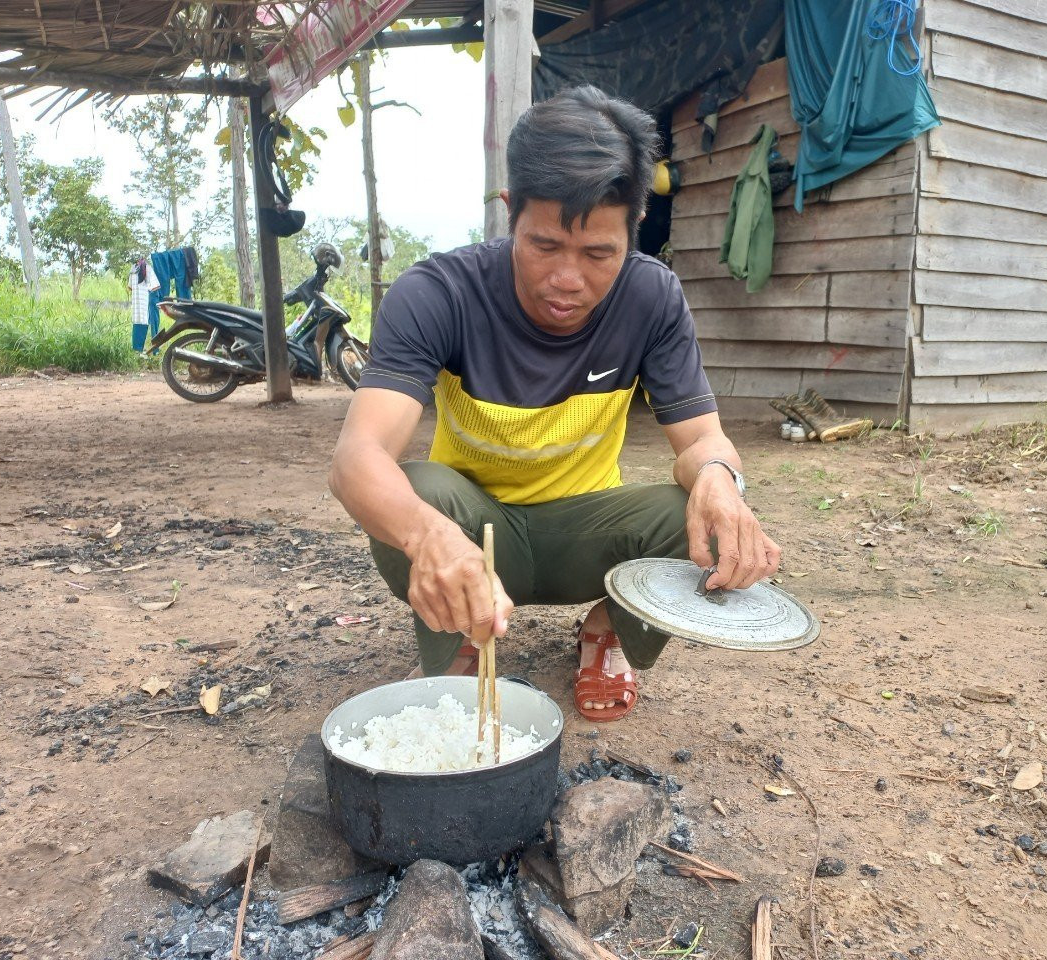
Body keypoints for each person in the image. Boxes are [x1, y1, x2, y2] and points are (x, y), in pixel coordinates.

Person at [329, 85, 781, 722]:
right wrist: (430, 536)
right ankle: (464, 631)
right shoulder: (438, 293)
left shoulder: (652, 298)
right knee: (417, 491)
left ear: (635, 227)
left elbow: (703, 441)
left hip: (584, 535)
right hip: (477, 534)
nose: (568, 280)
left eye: (600, 253)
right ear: (512, 213)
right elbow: (357, 458)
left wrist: (721, 480)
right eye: (544, 245)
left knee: (698, 509)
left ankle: (610, 626)